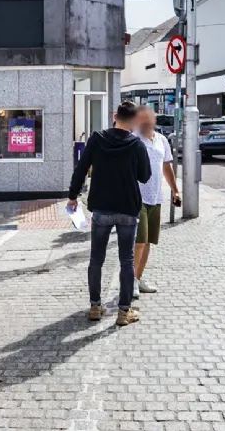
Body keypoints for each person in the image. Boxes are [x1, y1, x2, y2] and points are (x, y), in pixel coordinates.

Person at [67, 100, 151, 327]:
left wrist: (73, 196)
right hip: (127, 209)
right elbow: (145, 176)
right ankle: (124, 312)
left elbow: (81, 168)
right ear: (134, 121)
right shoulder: (136, 144)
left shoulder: (96, 139)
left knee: (96, 259)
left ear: (115, 116)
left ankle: (95, 306)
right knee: (126, 260)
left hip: (102, 208)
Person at [132, 106, 181, 298]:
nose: (145, 123)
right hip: (137, 198)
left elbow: (166, 167)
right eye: (141, 119)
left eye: (148, 119)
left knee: (149, 241)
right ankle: (131, 282)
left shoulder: (161, 140)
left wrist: (175, 191)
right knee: (139, 241)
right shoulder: (133, 139)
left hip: (155, 197)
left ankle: (138, 277)